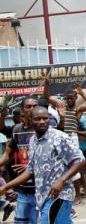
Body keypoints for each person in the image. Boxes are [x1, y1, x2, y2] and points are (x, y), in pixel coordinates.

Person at [0, 106, 85, 224]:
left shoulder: (59, 137)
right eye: (37, 119)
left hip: (60, 196)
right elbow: (30, 171)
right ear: (30, 119)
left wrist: (61, 180)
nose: (42, 122)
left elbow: (79, 160)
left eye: (45, 118)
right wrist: (5, 187)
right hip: (42, 197)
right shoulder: (33, 141)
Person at [44, 78, 86, 203]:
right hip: (60, 136)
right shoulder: (61, 105)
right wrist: (46, 85)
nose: (70, 100)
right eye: (68, 98)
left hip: (72, 137)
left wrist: (82, 93)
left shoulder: (78, 109)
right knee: (64, 165)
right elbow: (47, 97)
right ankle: (72, 191)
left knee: (74, 164)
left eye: (72, 98)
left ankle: (78, 194)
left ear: (76, 98)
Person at [0, 96, 38, 224]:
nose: (32, 109)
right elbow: (7, 154)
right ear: (22, 110)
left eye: (35, 106)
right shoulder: (17, 130)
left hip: (41, 189)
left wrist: (30, 167)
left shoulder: (43, 130)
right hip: (23, 189)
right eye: (29, 107)